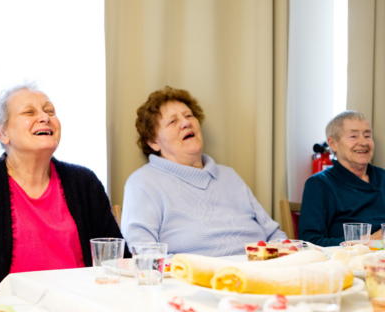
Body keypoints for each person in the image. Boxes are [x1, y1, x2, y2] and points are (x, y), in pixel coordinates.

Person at [0, 83, 130, 297]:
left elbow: (119, 260)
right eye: (29, 112)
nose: (45, 117)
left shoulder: (84, 182)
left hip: (83, 303)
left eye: (50, 111)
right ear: (2, 132)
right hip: (12, 311)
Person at [121, 86, 287, 256]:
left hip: (259, 271)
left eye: (189, 116)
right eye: (172, 121)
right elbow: (144, 254)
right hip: (193, 280)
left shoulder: (229, 176)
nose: (186, 123)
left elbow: (274, 235)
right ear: (153, 142)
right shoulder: (143, 183)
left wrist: (286, 254)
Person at [298, 111, 385, 247]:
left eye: (367, 135)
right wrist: (369, 242)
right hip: (348, 263)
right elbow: (310, 242)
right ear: (333, 144)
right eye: (353, 136)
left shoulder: (383, 177)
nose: (363, 142)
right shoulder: (320, 184)